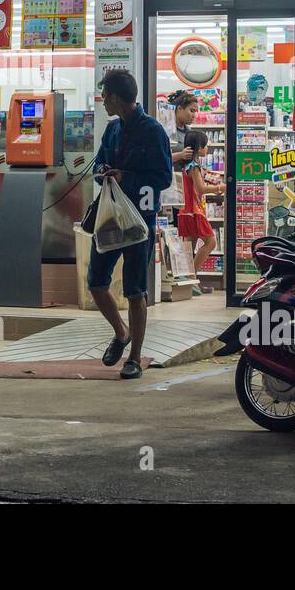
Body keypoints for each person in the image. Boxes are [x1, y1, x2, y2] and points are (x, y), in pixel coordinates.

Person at [90, 69, 173, 380]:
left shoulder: (153, 131)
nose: (102, 101)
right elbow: (98, 162)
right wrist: (103, 170)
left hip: (140, 220)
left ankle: (135, 358)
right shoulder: (111, 130)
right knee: (96, 281)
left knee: (135, 289)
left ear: (115, 97)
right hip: (110, 218)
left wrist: (129, 178)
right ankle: (120, 332)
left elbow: (164, 177)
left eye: (104, 95)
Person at [176, 130, 222, 280]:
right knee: (211, 242)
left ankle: (186, 278)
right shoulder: (194, 167)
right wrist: (220, 188)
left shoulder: (189, 165)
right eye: (205, 145)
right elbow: (201, 189)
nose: (207, 148)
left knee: (189, 247)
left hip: (187, 210)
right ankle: (191, 276)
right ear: (199, 147)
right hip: (194, 211)